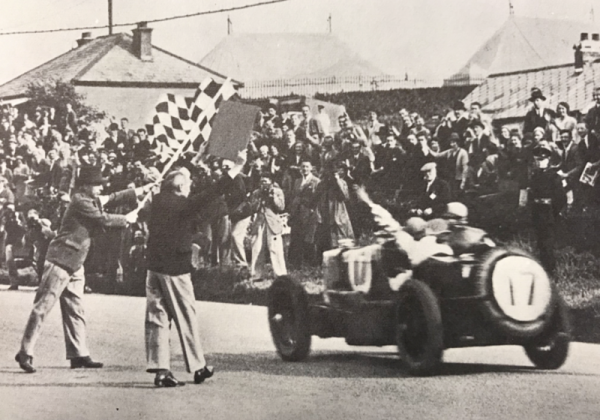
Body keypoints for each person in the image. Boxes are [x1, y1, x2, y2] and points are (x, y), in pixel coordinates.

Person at [15, 166, 145, 373]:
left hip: (74, 263)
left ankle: (78, 354)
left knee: (76, 310)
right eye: (97, 184)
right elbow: (102, 219)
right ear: (85, 186)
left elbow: (111, 197)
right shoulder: (80, 201)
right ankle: (25, 352)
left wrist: (137, 191)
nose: (101, 187)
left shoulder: (88, 198)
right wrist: (126, 219)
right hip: (60, 261)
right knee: (42, 308)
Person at [141, 157, 246, 386]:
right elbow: (211, 193)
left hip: (154, 267)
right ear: (179, 186)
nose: (191, 187)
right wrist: (236, 168)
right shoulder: (181, 204)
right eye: (188, 183)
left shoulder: (159, 200)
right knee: (186, 316)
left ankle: (161, 371)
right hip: (175, 269)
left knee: (157, 318)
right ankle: (198, 367)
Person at [527, 144, 566, 275]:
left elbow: (560, 198)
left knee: (547, 242)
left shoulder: (554, 175)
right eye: (538, 159)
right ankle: (543, 268)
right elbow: (531, 195)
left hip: (548, 212)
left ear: (549, 159)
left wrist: (553, 213)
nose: (540, 162)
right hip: (537, 212)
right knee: (540, 242)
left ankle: (551, 270)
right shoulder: (535, 175)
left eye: (543, 159)